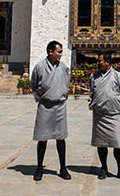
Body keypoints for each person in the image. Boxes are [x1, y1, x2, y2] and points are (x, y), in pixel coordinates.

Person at [88, 51, 120, 181]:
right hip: (99, 115)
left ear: (108, 62)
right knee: (101, 144)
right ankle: (104, 168)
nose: (98, 63)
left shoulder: (119, 77)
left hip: (113, 115)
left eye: (100, 61)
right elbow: (93, 91)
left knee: (118, 143)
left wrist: (115, 102)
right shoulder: (93, 76)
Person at [30, 40, 71, 181]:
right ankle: (39, 168)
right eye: (59, 52)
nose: (61, 54)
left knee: (61, 138)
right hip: (45, 106)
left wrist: (63, 95)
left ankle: (63, 168)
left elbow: (67, 83)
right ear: (51, 52)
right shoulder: (39, 67)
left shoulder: (64, 67)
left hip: (60, 106)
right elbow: (33, 85)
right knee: (42, 138)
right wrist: (39, 99)